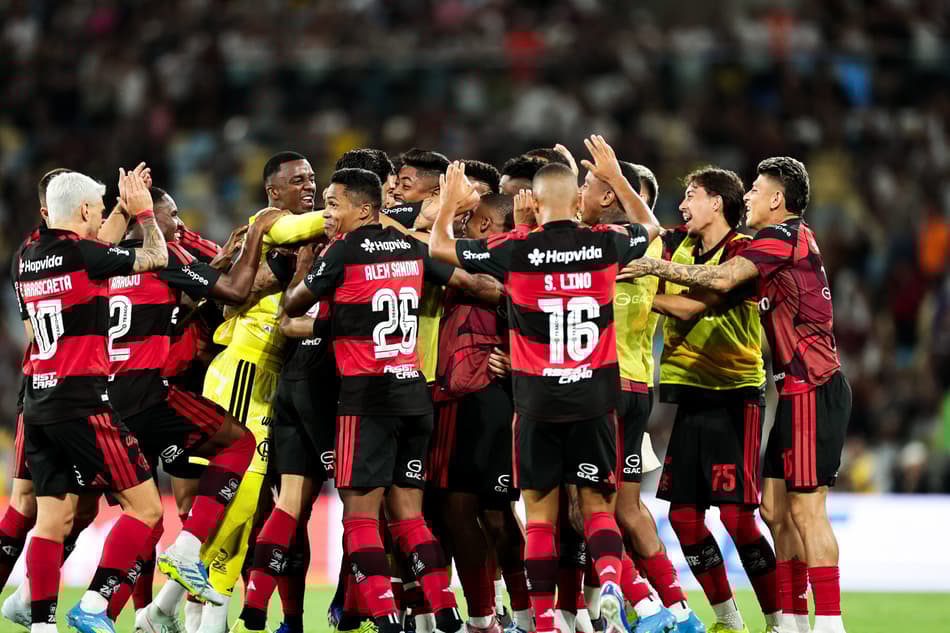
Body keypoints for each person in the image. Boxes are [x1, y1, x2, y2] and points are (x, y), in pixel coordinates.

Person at [428, 136, 673, 633]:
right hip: (595, 395)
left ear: (534, 203)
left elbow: (438, 249)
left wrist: (451, 204)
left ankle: (542, 620)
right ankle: (608, 579)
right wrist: (618, 177)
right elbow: (649, 227)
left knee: (539, 516)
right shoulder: (605, 241)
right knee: (599, 509)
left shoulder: (517, 247)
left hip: (537, 398)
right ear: (574, 199)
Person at [619, 157, 851, 633]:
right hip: (790, 389)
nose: (747, 196)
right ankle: (788, 620)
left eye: (755, 190)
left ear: (776, 200)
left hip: (811, 383)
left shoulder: (779, 239)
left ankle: (828, 624)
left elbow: (721, 280)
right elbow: (653, 233)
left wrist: (650, 268)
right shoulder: (772, 242)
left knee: (806, 513)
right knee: (772, 511)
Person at [275, 168, 467, 633]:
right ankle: (445, 609)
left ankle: (384, 616)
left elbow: (294, 306)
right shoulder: (413, 247)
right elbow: (465, 280)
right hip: (413, 394)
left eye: (333, 203)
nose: (327, 213)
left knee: (360, 516)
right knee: (409, 517)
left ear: (363, 208)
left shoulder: (343, 249)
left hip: (366, 399)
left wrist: (306, 280)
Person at [14, 168, 205, 633]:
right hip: (83, 403)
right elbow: (156, 255)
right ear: (82, 211)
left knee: (52, 519)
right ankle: (95, 606)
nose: (102, 217)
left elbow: (97, 251)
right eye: (98, 209)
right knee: (147, 509)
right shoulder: (84, 253)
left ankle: (40, 624)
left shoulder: (28, 256)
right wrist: (142, 212)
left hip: (38, 402)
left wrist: (119, 207)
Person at [103, 197, 282, 628]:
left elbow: (213, 289)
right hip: (161, 393)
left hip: (116, 394)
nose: (181, 223)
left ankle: (147, 611)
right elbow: (237, 290)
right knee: (170, 506)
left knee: (151, 509)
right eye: (173, 215)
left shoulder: (102, 262)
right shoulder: (167, 256)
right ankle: (156, 609)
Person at [578, 159, 705, 633]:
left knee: (584, 509)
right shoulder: (658, 245)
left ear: (613, 195)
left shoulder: (595, 244)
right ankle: (679, 609)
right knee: (628, 509)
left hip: (600, 387)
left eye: (588, 186)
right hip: (638, 387)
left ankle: (643, 605)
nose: (580, 193)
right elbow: (689, 305)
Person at [429, 193, 520, 633]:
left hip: (471, 396)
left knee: (461, 509)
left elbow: (431, 251)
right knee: (493, 512)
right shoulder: (520, 263)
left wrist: (444, 206)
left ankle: (487, 617)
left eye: (472, 219)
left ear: (485, 226)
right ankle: (520, 615)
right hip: (489, 397)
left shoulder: (489, 267)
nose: (463, 226)